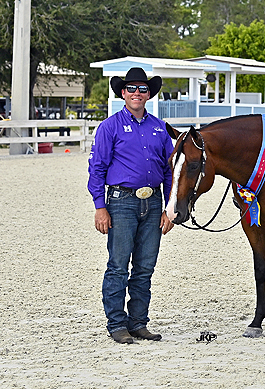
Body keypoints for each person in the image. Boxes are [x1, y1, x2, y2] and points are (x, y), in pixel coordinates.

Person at [88, 67, 175, 344]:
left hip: (154, 202)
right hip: (121, 202)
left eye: (143, 89)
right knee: (118, 265)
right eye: (132, 88)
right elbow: (97, 168)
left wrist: (169, 208)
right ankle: (117, 324)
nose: (137, 93)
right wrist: (100, 207)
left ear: (149, 94)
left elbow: (169, 171)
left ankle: (138, 322)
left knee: (145, 267)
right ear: (123, 93)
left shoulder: (160, 128)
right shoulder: (109, 127)